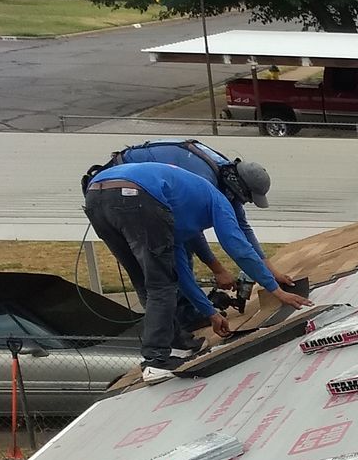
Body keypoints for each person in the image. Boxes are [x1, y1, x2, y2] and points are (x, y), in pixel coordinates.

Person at [82, 161, 311, 384]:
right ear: (237, 192)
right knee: (160, 285)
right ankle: (156, 361)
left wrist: (210, 312)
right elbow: (238, 247)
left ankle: (177, 343)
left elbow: (181, 273)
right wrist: (275, 290)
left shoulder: (178, 211)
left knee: (145, 281)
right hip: (138, 196)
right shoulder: (217, 199)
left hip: (96, 195)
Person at [87, 140, 296, 292]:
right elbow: (191, 231)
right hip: (128, 194)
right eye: (246, 198)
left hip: (127, 189)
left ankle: (192, 312)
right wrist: (218, 269)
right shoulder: (205, 180)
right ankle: (186, 320)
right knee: (168, 260)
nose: (243, 203)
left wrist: (272, 272)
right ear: (239, 187)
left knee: (175, 256)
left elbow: (242, 226)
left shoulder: (225, 173)